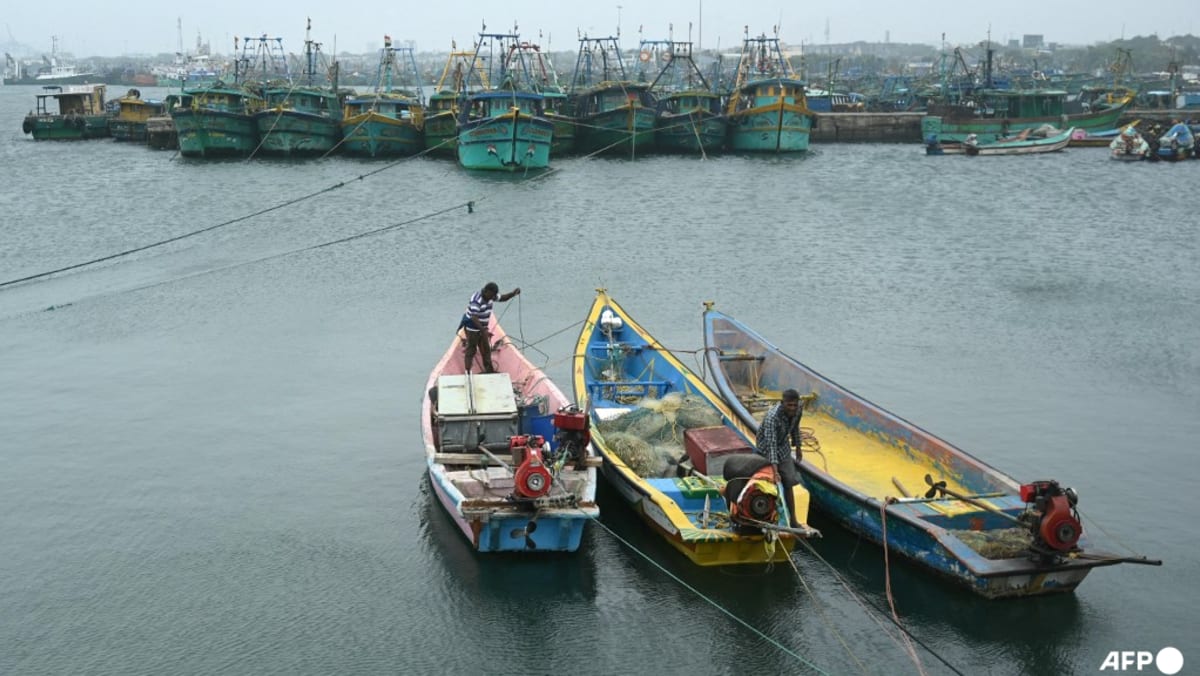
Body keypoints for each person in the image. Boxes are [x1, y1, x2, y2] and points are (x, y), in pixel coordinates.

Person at [755, 388, 808, 529]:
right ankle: (768, 515)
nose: (792, 408)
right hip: (766, 446)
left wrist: (798, 447)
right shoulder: (773, 418)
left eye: (794, 405)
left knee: (789, 481)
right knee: (771, 482)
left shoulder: (798, 409)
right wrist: (775, 470)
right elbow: (771, 445)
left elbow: (795, 427)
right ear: (782, 403)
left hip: (783, 444)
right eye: (789, 405)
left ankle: (793, 520)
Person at [459, 282, 520, 373]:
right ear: (486, 291)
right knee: (471, 349)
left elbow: (503, 298)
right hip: (472, 328)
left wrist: (513, 293)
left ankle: (489, 371)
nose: (492, 298)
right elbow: (474, 317)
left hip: (482, 328)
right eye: (491, 295)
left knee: (486, 350)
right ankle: (468, 371)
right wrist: (484, 331)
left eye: (494, 296)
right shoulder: (477, 299)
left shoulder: (491, 296)